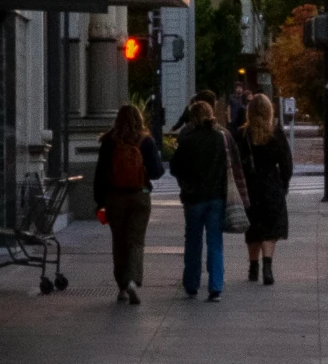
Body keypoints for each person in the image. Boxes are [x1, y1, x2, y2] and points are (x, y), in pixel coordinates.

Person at [93, 103, 165, 305]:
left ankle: (122, 287)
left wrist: (99, 202)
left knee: (119, 241)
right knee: (136, 240)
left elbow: (100, 175)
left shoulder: (109, 141)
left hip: (114, 197)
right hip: (139, 195)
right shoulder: (146, 141)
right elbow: (157, 172)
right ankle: (133, 280)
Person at [171, 99, 237, 301]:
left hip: (193, 197)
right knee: (215, 241)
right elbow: (231, 163)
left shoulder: (188, 140)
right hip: (216, 196)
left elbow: (175, 167)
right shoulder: (220, 138)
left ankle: (191, 283)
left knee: (193, 240)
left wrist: (186, 182)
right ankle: (215, 285)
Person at [239, 92, 294, 284]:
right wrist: (284, 183)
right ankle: (267, 267)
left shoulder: (243, 134)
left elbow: (237, 163)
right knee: (270, 229)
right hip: (271, 185)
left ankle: (253, 268)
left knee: (253, 227)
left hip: (250, 186)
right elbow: (286, 162)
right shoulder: (275, 133)